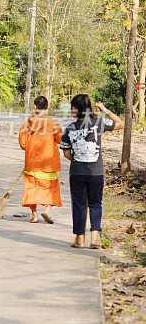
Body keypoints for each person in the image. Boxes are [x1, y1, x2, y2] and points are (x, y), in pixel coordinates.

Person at [59, 94, 123, 248]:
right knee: (95, 204)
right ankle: (94, 239)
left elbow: (66, 153)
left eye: (72, 107)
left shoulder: (69, 128)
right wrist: (104, 109)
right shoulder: (98, 123)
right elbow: (120, 123)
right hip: (96, 172)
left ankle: (80, 240)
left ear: (75, 109)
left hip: (77, 172)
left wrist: (78, 160)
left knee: (79, 205)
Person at [18, 96, 63, 224]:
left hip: (32, 162)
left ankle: (34, 216)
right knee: (51, 187)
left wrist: (31, 149)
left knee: (31, 187)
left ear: (35, 107)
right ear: (47, 107)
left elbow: (23, 144)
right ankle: (47, 211)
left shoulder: (28, 123)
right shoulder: (53, 123)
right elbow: (59, 140)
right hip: (49, 163)